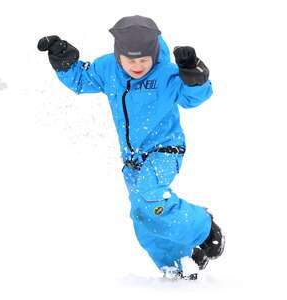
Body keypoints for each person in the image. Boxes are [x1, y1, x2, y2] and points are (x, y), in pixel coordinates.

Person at [37, 15, 225, 280]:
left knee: (149, 195)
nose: (137, 66)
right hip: (133, 160)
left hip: (165, 149)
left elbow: (194, 97)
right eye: (130, 60)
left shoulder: (167, 74)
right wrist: (64, 61)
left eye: (143, 60)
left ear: (154, 54)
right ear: (118, 55)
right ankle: (175, 262)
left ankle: (204, 229)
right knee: (142, 214)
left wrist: (193, 74)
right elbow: (81, 80)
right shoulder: (108, 70)